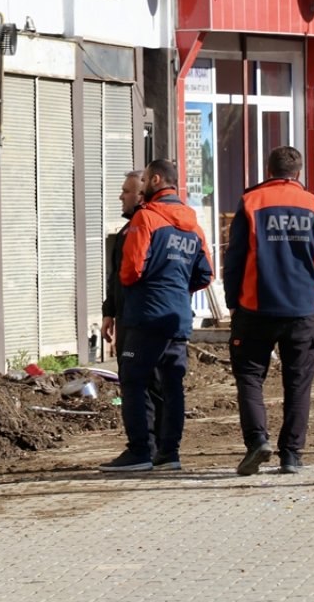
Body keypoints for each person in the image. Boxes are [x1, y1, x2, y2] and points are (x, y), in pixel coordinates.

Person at [222, 146, 314, 476]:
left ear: (268, 169)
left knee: (249, 376)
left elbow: (235, 258)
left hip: (255, 307)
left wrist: (233, 302)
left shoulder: (251, 202)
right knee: (298, 383)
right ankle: (292, 454)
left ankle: (257, 441)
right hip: (304, 310)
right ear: (299, 173)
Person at [99, 159, 213, 472]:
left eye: (145, 180)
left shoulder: (146, 219)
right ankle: (169, 453)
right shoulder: (192, 224)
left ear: (155, 180)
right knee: (172, 384)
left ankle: (139, 452)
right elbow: (205, 274)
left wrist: (148, 288)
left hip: (146, 316)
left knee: (134, 381)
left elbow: (130, 271)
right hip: (177, 317)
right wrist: (176, 287)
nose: (129, 195)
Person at [100, 170, 167, 467]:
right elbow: (116, 279)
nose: (120, 196)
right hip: (146, 317)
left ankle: (142, 449)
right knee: (157, 383)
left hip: (138, 320)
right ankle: (160, 449)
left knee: (136, 383)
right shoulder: (137, 229)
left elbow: (127, 277)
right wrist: (108, 312)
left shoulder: (141, 229)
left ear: (141, 195)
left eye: (126, 191)